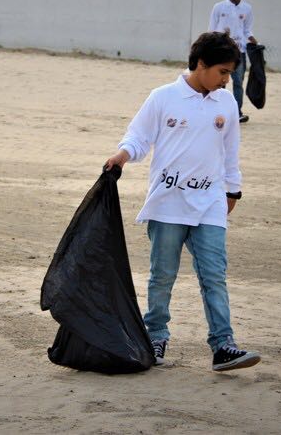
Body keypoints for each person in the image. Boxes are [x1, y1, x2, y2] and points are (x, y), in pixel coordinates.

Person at [104, 32, 261, 372]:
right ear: (201, 64)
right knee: (162, 276)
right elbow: (139, 137)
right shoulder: (163, 97)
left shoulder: (226, 102)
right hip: (168, 202)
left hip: (210, 201)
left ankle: (223, 345)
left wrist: (233, 190)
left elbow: (230, 151)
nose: (227, 80)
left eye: (230, 73)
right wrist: (122, 156)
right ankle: (155, 336)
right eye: (222, 72)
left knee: (214, 275)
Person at [208, 0, 258, 123]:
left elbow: (247, 30)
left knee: (238, 82)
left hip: (239, 51)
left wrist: (254, 40)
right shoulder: (219, 7)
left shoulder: (247, 8)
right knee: (220, 81)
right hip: (222, 51)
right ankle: (218, 109)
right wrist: (210, 45)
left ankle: (237, 112)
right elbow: (212, 28)